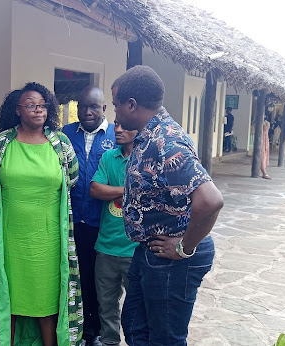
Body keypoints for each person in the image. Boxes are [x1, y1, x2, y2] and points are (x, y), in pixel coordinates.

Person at [112, 66, 224, 345]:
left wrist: (185, 247)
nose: (114, 112)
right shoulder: (146, 136)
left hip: (172, 259)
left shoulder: (166, 141)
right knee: (136, 326)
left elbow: (210, 201)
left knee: (165, 339)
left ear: (131, 104)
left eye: (116, 105)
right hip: (150, 250)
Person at [0, 83, 82, 346]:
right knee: (10, 299)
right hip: (10, 237)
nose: (37, 110)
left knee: (47, 300)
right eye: (30, 105)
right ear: (17, 110)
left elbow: (72, 177)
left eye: (42, 105)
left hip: (49, 239)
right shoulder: (3, 142)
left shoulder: (60, 143)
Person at [61, 86, 115, 346]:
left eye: (94, 106)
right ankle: (77, 328)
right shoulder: (66, 134)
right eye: (83, 106)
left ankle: (96, 330)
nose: (87, 111)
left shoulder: (117, 135)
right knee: (76, 277)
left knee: (99, 281)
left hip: (102, 223)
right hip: (72, 222)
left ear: (104, 108)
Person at [88, 121, 138, 346]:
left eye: (124, 126)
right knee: (106, 305)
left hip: (135, 249)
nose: (118, 129)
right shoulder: (109, 157)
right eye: (116, 125)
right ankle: (109, 342)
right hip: (106, 246)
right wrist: (129, 192)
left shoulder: (145, 159)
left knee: (137, 308)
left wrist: (114, 192)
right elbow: (95, 189)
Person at [261, 111, 272, 179]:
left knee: (264, 153)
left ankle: (263, 170)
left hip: (264, 138)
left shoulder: (267, 123)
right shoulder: (260, 123)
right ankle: (263, 171)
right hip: (262, 138)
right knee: (261, 154)